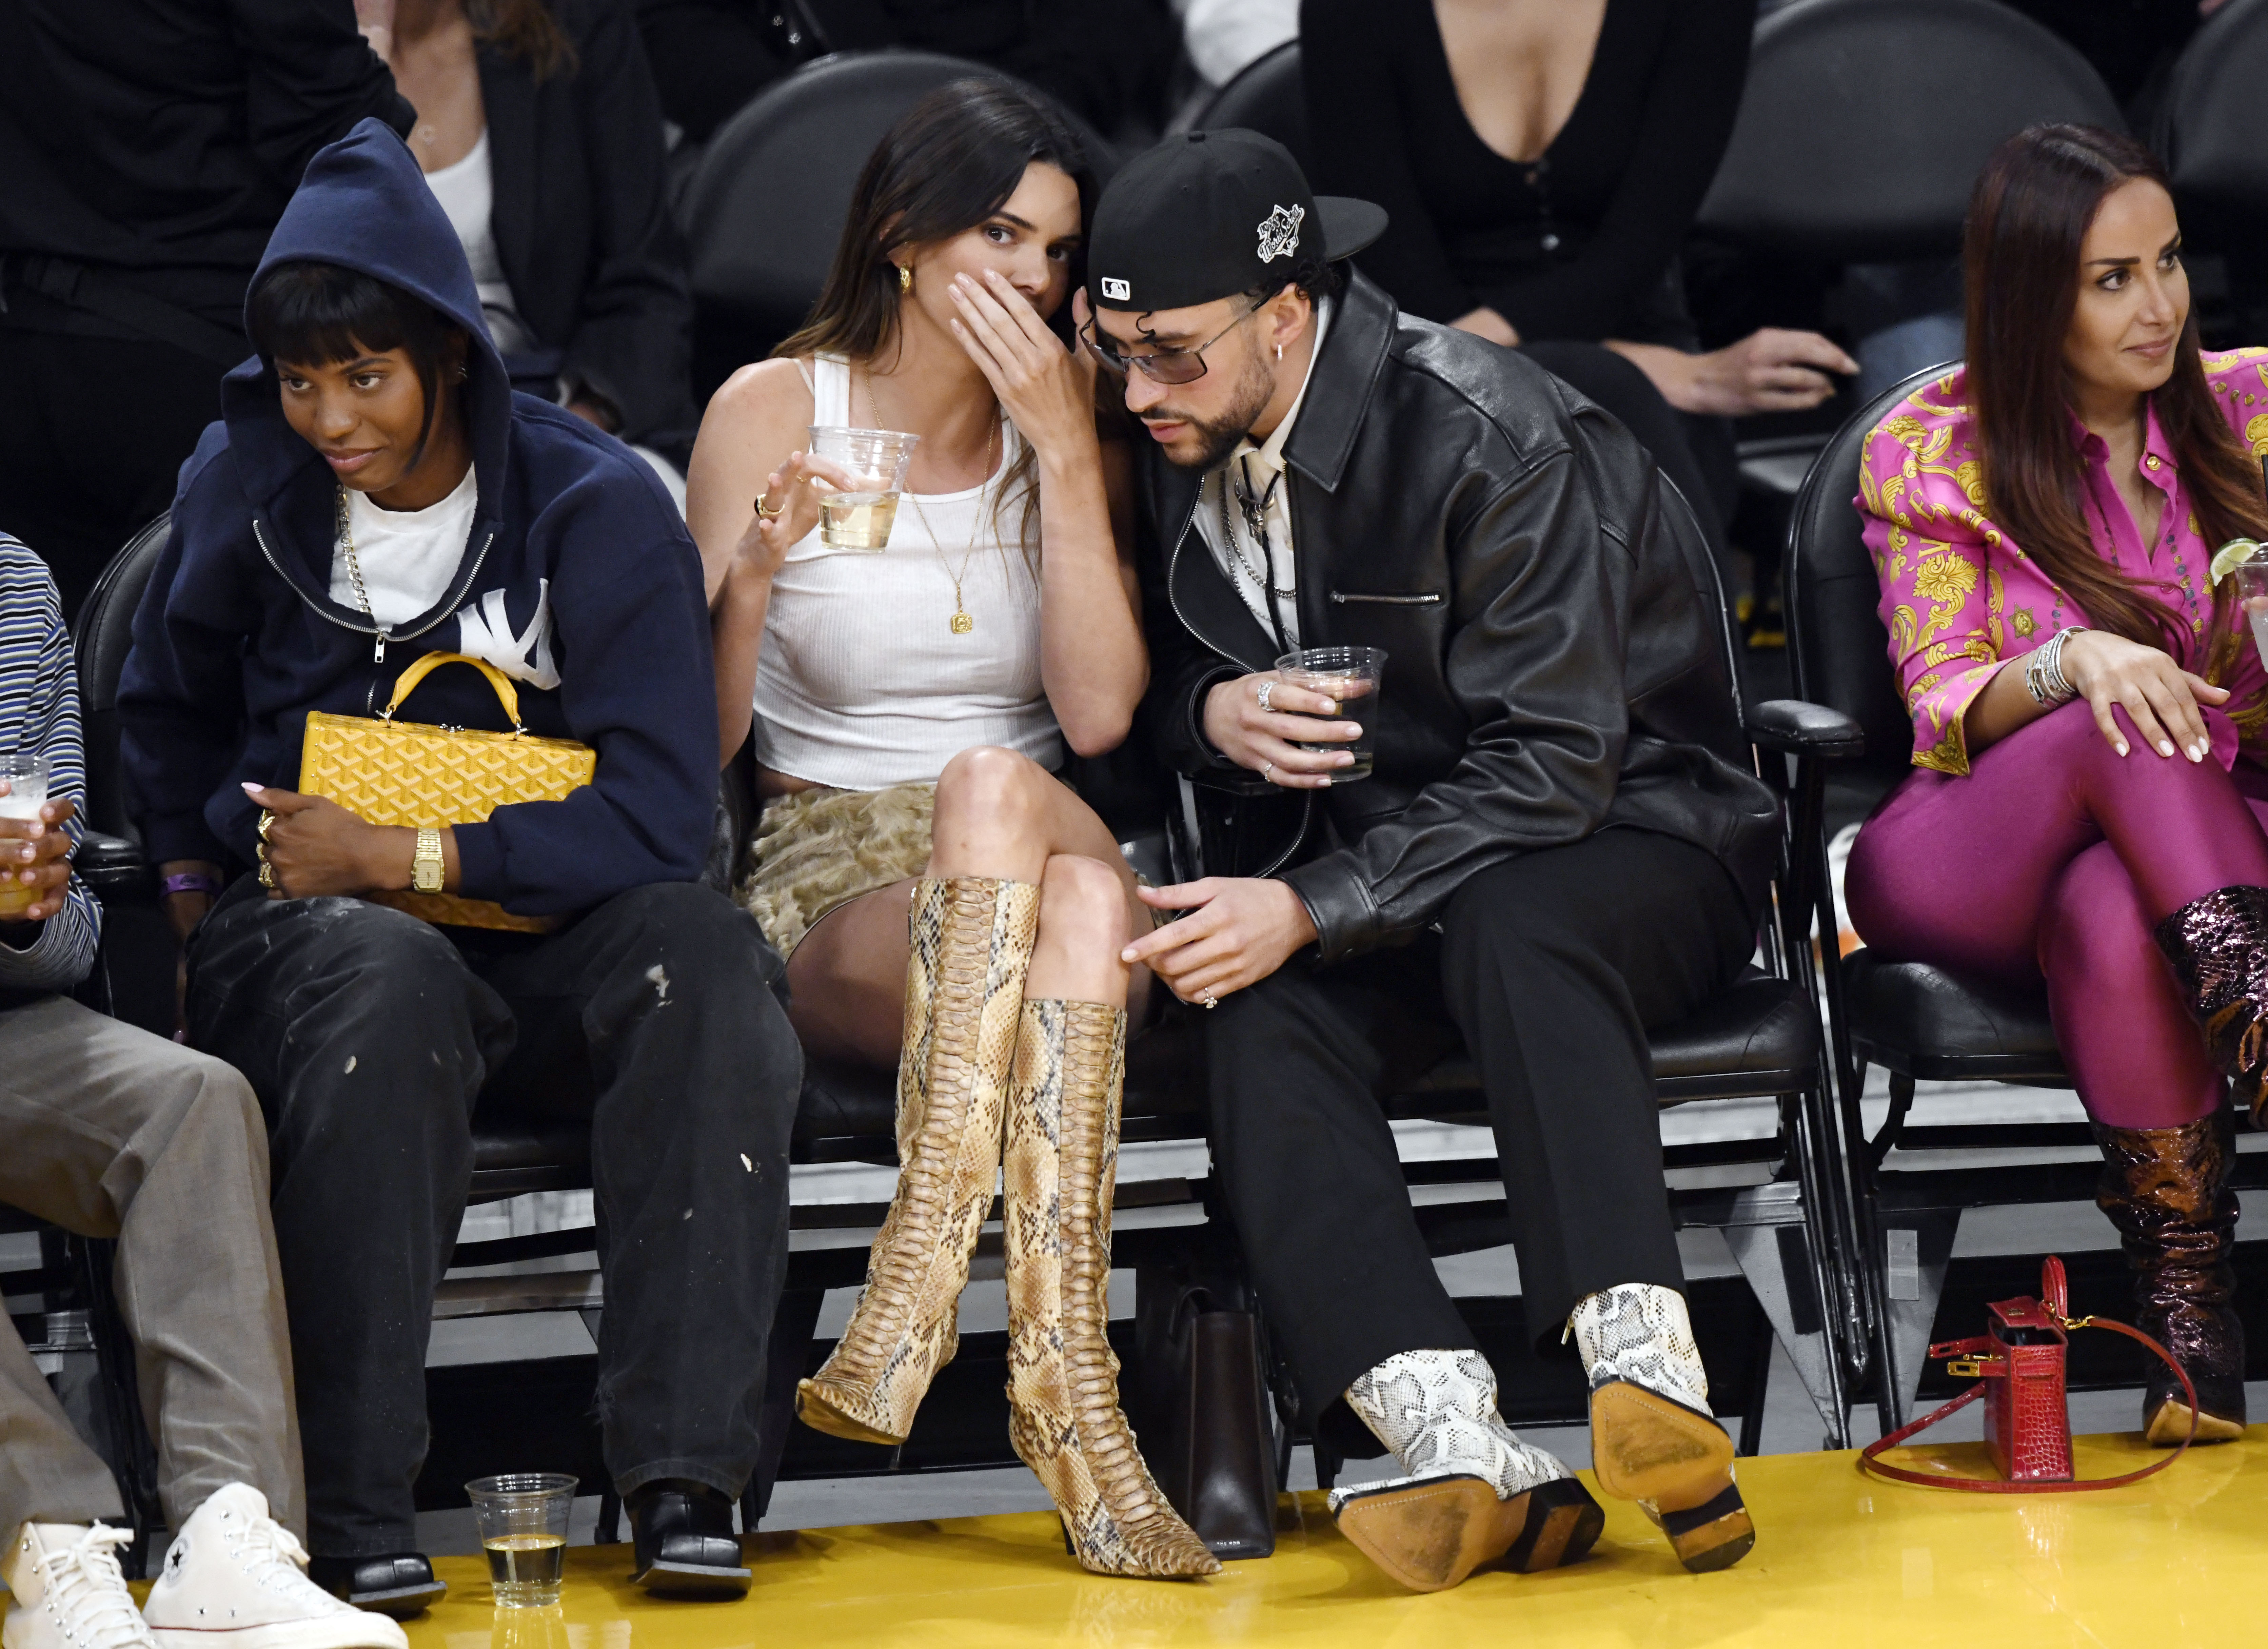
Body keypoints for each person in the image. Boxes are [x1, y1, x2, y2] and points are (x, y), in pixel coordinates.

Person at [116, 120, 801, 1610]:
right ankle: (348, 1502)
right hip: (308, 937)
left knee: (703, 953)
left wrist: (412, 845)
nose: (330, 417)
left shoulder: (593, 500)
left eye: (365, 376)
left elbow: (664, 808)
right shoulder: (246, 487)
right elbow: (163, 726)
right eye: (302, 380)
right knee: (384, 966)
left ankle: (687, 1471)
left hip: (544, 927)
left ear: (449, 361)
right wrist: (184, 913)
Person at [1089, 129, 1782, 1592]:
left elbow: (1552, 763)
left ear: (1285, 314)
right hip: (1403, 881)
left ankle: (1647, 1375)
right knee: (1251, 1008)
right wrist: (1209, 714)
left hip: (1642, 838)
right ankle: (1452, 1444)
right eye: (1113, 353)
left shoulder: (1490, 431)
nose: (1138, 392)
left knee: (1512, 922)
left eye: (1169, 355)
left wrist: (1312, 899)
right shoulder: (1184, 432)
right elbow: (1152, 699)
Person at [687, 81, 1214, 1578]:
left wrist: (1060, 452)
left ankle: (914, 1281)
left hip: (1043, 829)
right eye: (1001, 234)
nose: (1034, 280)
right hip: (834, 859)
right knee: (1074, 939)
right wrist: (744, 587)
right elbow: (705, 746)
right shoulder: (774, 408)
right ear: (905, 238)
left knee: (997, 787)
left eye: (1058, 251)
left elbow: (1101, 717)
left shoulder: (1073, 427)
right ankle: (1071, 1404)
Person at [1846, 123, 2268, 1448]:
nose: (2159, 307)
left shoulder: (2254, 411)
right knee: (2114, 707)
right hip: (1971, 839)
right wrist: (2068, 655)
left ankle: (2187, 1325)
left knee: (2107, 906)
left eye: (2167, 264)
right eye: (2109, 279)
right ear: (2031, 296)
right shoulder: (1932, 444)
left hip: (2206, 832)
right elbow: (1942, 702)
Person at [1, 538, 407, 1649]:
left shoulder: (14, 582)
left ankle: (230, 1536)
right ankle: (46, 1546)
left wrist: (24, 913)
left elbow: (73, 918)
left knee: (194, 1102)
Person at [1299, 0, 1859, 548]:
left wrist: (1639, 368)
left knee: (1635, 446)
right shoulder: (1349, 13)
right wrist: (1661, 373)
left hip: (1636, 342)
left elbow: (1637, 246)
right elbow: (1393, 264)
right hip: (1427, 357)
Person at [0, 0, 413, 622]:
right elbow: (331, 131)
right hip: (202, 370)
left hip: (32, 349)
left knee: (47, 694)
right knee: (217, 691)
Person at [380, 0, 700, 473]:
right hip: (375, 423)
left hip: (561, 409)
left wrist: (574, 429)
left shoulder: (576, 25)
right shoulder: (295, 63)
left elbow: (646, 281)